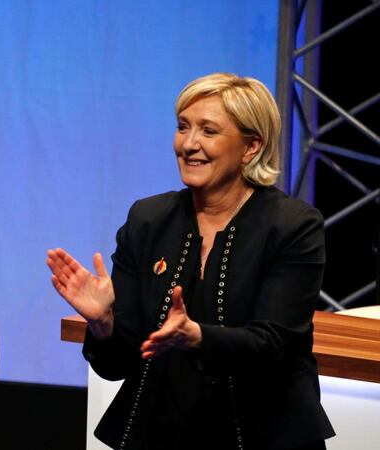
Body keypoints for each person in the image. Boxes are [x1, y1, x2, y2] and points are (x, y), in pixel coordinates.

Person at [47, 73, 334, 449]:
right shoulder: (148, 220)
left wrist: (197, 336)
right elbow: (118, 364)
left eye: (209, 131)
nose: (189, 144)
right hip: (162, 431)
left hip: (263, 433)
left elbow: (273, 346)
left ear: (251, 147)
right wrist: (103, 325)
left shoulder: (292, 226)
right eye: (183, 127)